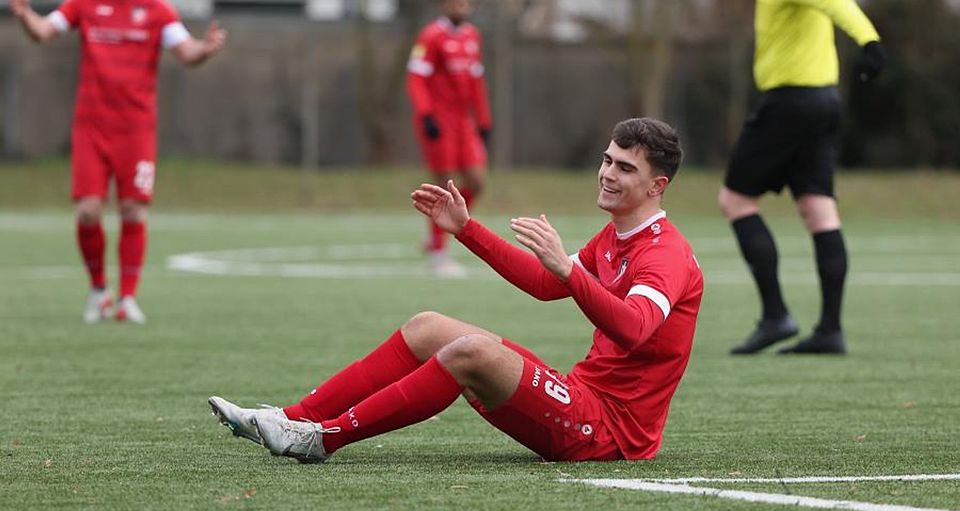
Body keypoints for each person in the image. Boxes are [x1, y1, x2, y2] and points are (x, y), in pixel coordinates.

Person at [209, 118, 703, 464]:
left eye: (625, 168)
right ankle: (292, 418)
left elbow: (635, 329)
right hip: (582, 396)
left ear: (657, 186)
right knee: (429, 327)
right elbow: (542, 283)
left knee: (469, 352)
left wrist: (568, 272)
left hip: (611, 433)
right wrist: (466, 229)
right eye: (608, 160)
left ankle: (321, 439)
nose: (608, 174)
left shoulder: (665, 254)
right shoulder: (615, 236)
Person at [11, 0, 227, 324]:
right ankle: (99, 290)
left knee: (132, 209)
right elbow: (43, 32)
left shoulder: (158, 11)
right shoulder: (84, 4)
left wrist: (206, 49)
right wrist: (26, 16)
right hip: (91, 127)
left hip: (136, 129)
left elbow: (186, 52)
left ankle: (128, 298)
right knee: (88, 212)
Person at [720, 0, 886, 354]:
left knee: (735, 201)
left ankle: (775, 316)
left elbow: (835, 3)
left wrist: (869, 41)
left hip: (789, 103)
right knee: (819, 209)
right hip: (823, 101)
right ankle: (830, 330)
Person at [406, 0, 492, 278]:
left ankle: (442, 226)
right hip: (439, 119)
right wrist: (426, 114)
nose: (461, 6)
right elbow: (416, 78)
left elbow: (476, 81)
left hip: (464, 122)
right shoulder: (431, 36)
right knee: (445, 185)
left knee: (476, 181)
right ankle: (437, 252)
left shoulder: (472, 36)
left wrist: (484, 121)